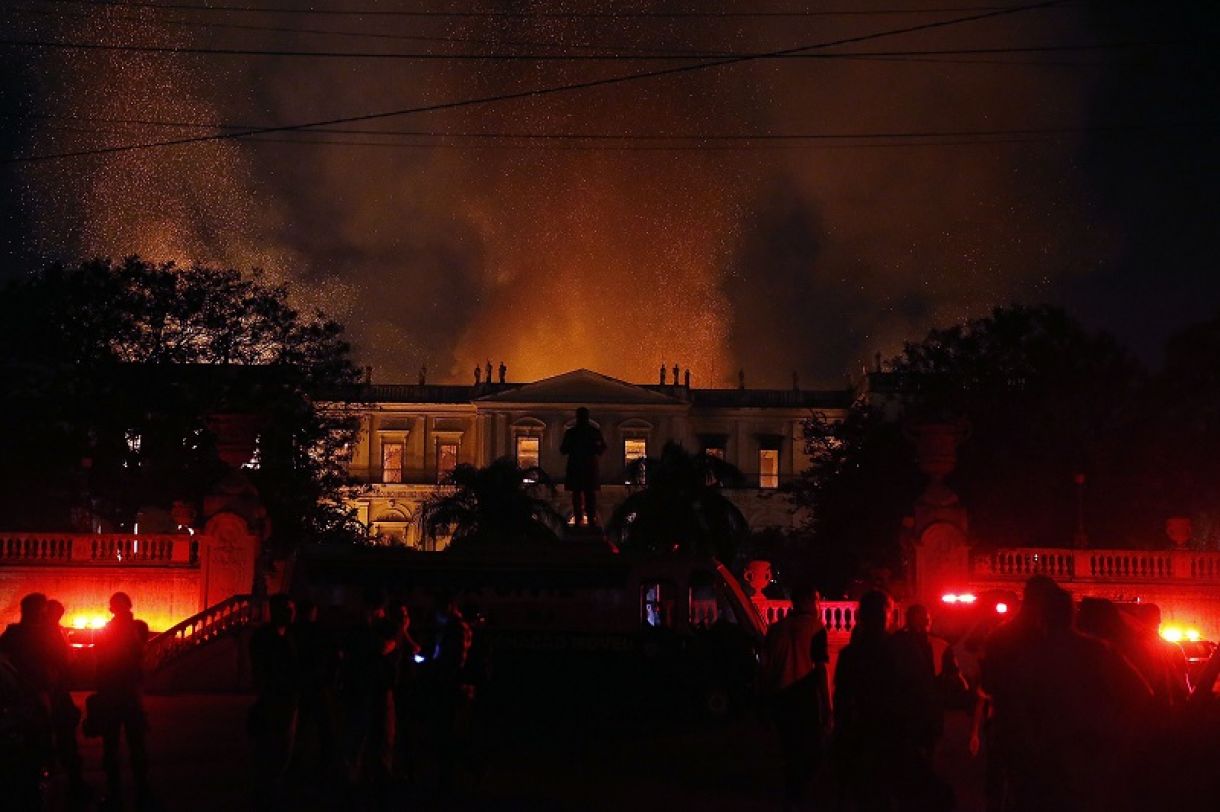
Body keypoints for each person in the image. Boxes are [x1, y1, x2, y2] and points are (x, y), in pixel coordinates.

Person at [759, 584, 830, 807]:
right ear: (807, 602)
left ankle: (792, 792)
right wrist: (827, 704)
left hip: (780, 695)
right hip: (803, 695)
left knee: (789, 747)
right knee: (811, 748)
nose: (818, 606)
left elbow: (765, 668)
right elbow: (820, 667)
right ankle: (800, 793)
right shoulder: (816, 628)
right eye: (816, 600)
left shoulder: (775, 629)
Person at [92, 591, 150, 811]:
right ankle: (140, 790)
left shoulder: (113, 630)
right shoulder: (137, 627)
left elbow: (102, 660)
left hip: (115, 691)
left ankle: (118, 792)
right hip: (126, 691)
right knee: (132, 744)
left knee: (115, 744)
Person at [249, 594, 299, 810]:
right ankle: (266, 792)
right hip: (273, 699)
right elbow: (261, 670)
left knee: (284, 747)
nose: (291, 613)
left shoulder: (291, 636)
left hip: (289, 699)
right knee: (270, 746)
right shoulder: (265, 638)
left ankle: (273, 786)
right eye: (287, 609)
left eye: (292, 609)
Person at [44, 598, 88, 802]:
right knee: (61, 734)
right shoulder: (49, 633)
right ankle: (71, 781)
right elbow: (62, 658)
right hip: (51, 689)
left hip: (53, 689)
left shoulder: (52, 631)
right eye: (57, 614)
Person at [560, 407, 606, 527]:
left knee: (579, 494)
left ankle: (582, 520)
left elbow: (563, 450)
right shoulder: (593, 432)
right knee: (587, 495)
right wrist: (594, 448)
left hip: (577, 467)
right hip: (588, 467)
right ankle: (589, 520)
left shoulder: (572, 432)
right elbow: (602, 448)